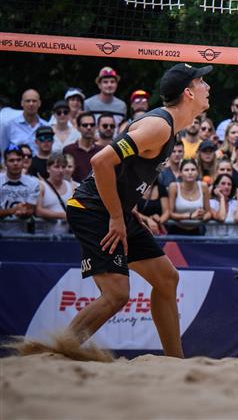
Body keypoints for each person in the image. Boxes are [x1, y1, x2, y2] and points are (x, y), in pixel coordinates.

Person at [61, 63, 211, 357]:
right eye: (202, 81)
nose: (208, 87)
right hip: (92, 209)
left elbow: (122, 174)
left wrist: (127, 210)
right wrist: (117, 216)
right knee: (116, 294)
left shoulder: (169, 128)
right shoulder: (159, 126)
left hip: (115, 210)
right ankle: (56, 351)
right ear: (189, 93)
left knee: (167, 279)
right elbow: (100, 162)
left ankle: (175, 362)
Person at [0, 146, 40, 235]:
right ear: (5, 163)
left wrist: (25, 212)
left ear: (23, 162)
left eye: (18, 160)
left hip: (25, 235)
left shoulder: (33, 183)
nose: (15, 163)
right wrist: (12, 210)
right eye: (11, 160)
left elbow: (30, 209)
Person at [165, 158, 209, 235]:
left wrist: (203, 216)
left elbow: (208, 212)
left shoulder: (203, 186)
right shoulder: (174, 187)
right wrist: (190, 216)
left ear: (197, 172)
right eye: (186, 170)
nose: (190, 172)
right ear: (180, 173)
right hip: (176, 230)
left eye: (193, 169)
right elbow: (170, 213)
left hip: (197, 231)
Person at [35, 153, 76, 228]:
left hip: (67, 234)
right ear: (48, 169)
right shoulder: (41, 186)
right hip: (45, 233)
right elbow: (38, 211)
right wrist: (62, 215)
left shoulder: (72, 187)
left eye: (63, 167)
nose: (60, 170)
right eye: (56, 167)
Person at [62, 112, 99, 182]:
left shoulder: (101, 150)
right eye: (85, 125)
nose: (89, 127)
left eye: (92, 125)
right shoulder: (68, 150)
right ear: (78, 128)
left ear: (95, 127)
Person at [206, 173, 238, 237]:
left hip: (233, 240)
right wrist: (221, 197)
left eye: (229, 184)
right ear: (216, 186)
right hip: (213, 240)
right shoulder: (209, 203)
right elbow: (221, 217)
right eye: (223, 183)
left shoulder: (236, 203)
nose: (226, 187)